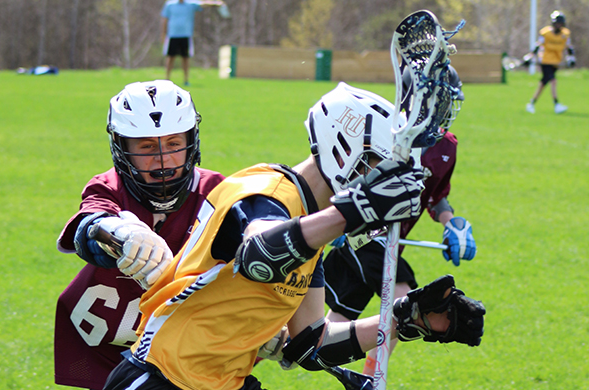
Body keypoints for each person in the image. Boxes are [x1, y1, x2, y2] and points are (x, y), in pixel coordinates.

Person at [101, 82, 486, 390]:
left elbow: (310, 344)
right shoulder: (267, 192)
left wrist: (405, 320)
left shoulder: (310, 228)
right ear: (345, 149)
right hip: (162, 377)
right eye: (377, 167)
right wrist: (354, 210)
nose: (383, 185)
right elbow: (259, 255)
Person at [54, 80, 225, 389]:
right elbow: (88, 226)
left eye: (174, 143)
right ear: (122, 148)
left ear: (191, 140)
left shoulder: (218, 192)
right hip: (109, 349)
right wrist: (118, 232)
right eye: (147, 146)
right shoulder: (109, 187)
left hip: (190, 350)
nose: (163, 157)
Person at [324, 66, 477, 376]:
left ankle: (262, 351)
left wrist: (452, 223)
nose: (448, 110)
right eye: (442, 101)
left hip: (389, 243)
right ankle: (371, 378)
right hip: (366, 235)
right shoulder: (386, 131)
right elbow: (348, 178)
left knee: (324, 333)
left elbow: (433, 196)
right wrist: (337, 219)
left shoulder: (447, 147)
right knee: (407, 304)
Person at [161, 0, 226, 86]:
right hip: (173, 34)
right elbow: (165, 19)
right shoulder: (170, 4)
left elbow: (203, 4)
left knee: (185, 58)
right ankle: (167, 79)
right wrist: (163, 33)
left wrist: (215, 3)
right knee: (170, 57)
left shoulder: (190, 4)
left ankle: (186, 80)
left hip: (186, 34)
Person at [526, 10, 575, 114]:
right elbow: (538, 45)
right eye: (557, 24)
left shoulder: (565, 34)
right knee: (553, 81)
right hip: (545, 60)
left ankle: (531, 103)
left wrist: (571, 58)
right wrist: (531, 56)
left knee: (543, 83)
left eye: (560, 24)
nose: (558, 26)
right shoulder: (546, 33)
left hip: (556, 62)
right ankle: (556, 104)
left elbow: (569, 47)